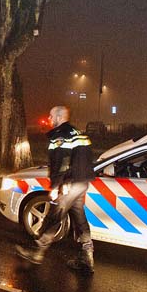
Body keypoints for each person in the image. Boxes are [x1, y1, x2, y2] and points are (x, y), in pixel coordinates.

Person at [16, 105, 96, 273]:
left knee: (54, 214)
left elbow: (61, 163)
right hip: (81, 182)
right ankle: (87, 256)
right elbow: (86, 159)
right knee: (79, 217)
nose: (50, 119)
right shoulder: (79, 134)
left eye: (51, 116)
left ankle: (36, 251)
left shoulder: (60, 136)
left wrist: (56, 186)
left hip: (68, 184)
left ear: (59, 117)